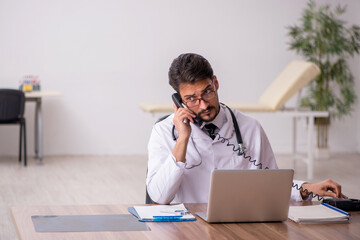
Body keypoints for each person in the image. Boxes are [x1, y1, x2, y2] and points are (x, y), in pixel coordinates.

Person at [146, 53, 346, 204]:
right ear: (178, 102)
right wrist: (182, 139)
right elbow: (159, 197)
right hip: (186, 231)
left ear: (215, 83)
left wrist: (306, 188)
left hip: (239, 227)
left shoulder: (250, 128)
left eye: (207, 92)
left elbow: (271, 183)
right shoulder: (163, 132)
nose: (204, 105)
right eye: (191, 99)